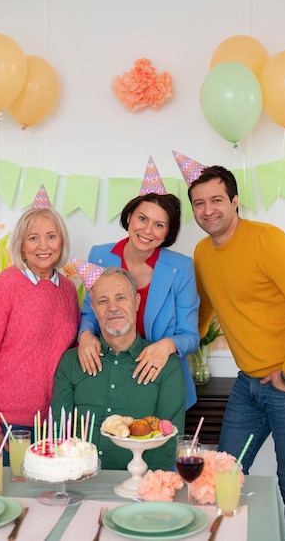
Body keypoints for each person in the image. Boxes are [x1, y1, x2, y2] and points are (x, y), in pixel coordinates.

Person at [183, 163, 285, 541]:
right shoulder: (202, 251)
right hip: (249, 383)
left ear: (234, 202)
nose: (208, 209)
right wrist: (180, 348)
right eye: (199, 203)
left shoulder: (267, 240)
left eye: (216, 199)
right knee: (222, 473)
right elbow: (205, 310)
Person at [0, 186, 80, 465]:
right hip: (6, 426)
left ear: (61, 242)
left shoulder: (67, 289)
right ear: (21, 245)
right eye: (33, 238)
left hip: (53, 426)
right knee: (7, 505)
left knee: (47, 506)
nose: (43, 246)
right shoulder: (4, 286)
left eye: (51, 237)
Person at [77, 157, 200, 410]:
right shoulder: (99, 256)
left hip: (160, 380)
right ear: (130, 216)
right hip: (108, 378)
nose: (147, 230)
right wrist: (86, 335)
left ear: (168, 232)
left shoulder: (181, 268)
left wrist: (166, 346)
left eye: (159, 225)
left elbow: (190, 336)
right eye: (142, 219)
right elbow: (90, 313)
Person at [51, 265, 186, 470]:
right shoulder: (71, 362)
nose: (113, 307)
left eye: (121, 297)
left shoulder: (167, 367)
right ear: (94, 309)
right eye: (103, 301)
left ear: (137, 302)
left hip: (139, 486)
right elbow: (59, 432)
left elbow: (166, 445)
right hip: (80, 481)